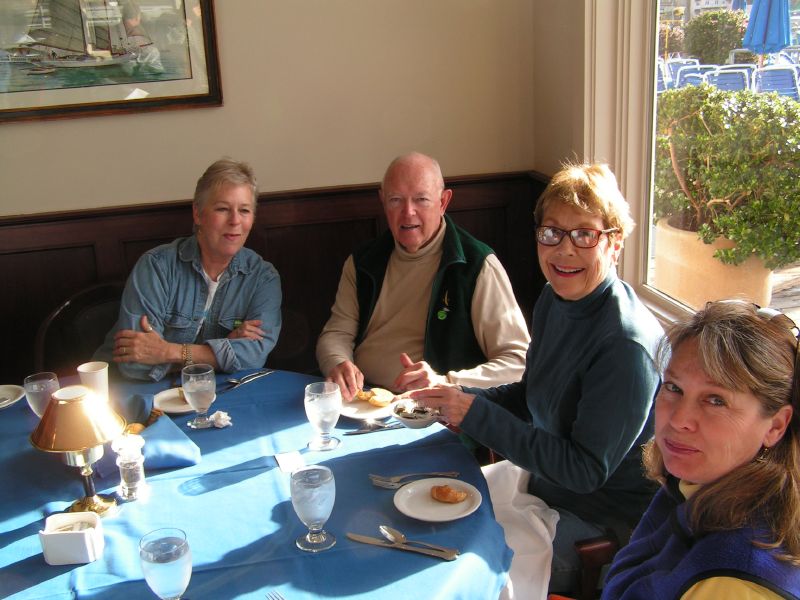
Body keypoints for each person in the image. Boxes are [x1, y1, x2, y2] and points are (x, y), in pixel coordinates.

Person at [410, 162, 664, 595]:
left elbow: (585, 471)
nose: (564, 250)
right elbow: (531, 395)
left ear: (615, 243)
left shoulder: (625, 345)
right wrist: (457, 397)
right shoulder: (555, 297)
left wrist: (475, 414)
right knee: (421, 505)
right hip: (543, 485)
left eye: (584, 234)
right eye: (551, 232)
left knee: (445, 558)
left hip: (598, 525)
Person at [602, 300, 800, 599]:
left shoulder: (733, 583)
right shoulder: (695, 485)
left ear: (775, 426)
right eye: (674, 388)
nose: (679, 420)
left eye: (716, 400)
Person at [316, 151, 530, 401]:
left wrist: (446, 382)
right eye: (396, 200)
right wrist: (338, 362)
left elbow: (518, 362)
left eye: (421, 199)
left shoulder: (478, 266)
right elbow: (336, 334)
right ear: (382, 201)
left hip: (436, 412)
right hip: (362, 401)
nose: (408, 213)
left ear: (443, 202)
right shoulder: (362, 262)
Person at [95, 158, 282, 381]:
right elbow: (135, 363)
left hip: (210, 395)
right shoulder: (157, 266)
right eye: (222, 209)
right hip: (128, 393)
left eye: (244, 210)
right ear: (198, 214)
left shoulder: (262, 276)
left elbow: (254, 357)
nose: (235, 221)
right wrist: (222, 352)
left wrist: (167, 352)